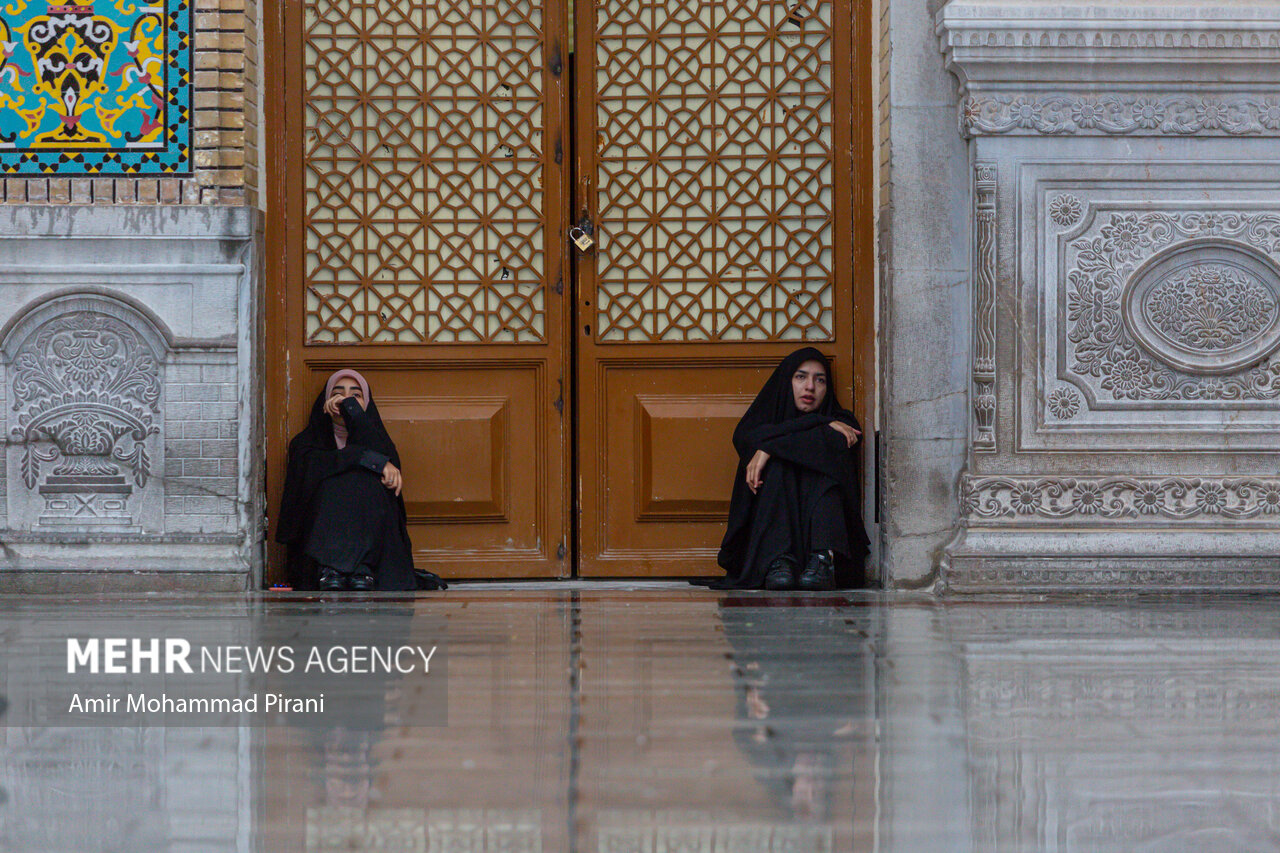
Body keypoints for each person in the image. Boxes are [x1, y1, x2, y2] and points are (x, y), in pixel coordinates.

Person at [711, 347, 869, 590]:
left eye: (820, 380)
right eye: (800, 377)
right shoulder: (767, 422)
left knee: (822, 461)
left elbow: (840, 442)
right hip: (770, 536)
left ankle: (823, 559)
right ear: (787, 382)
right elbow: (744, 437)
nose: (810, 387)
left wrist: (769, 448)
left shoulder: (842, 423)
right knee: (782, 464)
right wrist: (816, 424)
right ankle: (778, 560)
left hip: (825, 534)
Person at [276, 369, 445, 591]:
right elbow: (313, 476)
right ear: (326, 401)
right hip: (317, 560)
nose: (345, 399)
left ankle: (362, 569)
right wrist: (364, 458)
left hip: (373, 561)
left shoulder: (380, 444)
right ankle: (332, 568)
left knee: (366, 482)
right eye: (338, 393)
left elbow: (388, 492)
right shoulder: (306, 444)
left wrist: (354, 414)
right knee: (333, 481)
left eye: (355, 396)